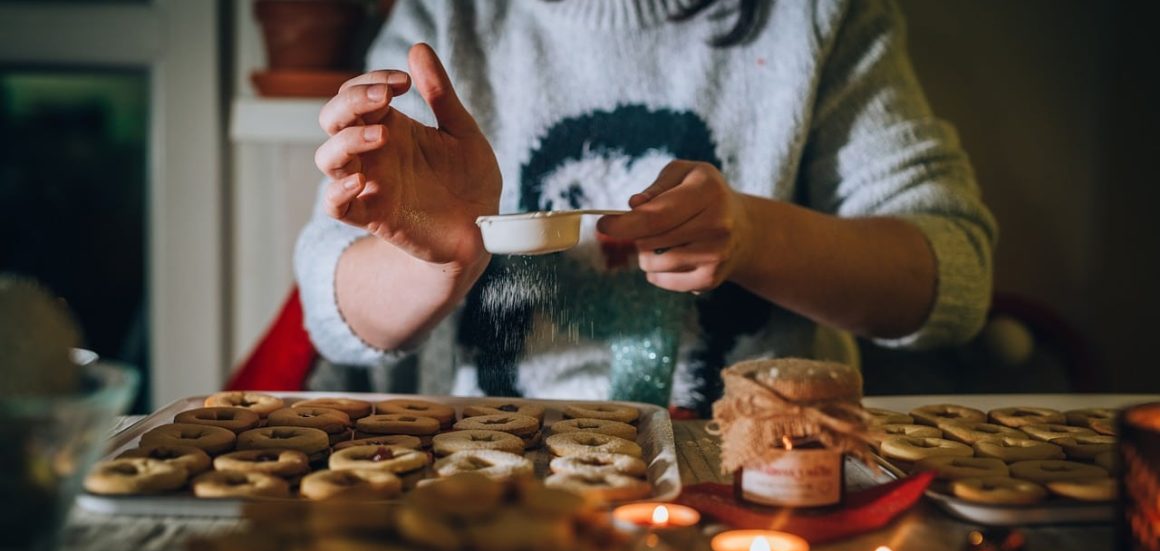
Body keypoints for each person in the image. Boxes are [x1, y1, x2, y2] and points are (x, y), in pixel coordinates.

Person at [294, 0, 997, 415]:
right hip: (501, 483)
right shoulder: (445, 19)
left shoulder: (816, 17)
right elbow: (334, 306)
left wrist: (755, 237)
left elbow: (952, 279)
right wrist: (439, 259)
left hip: (766, 478)